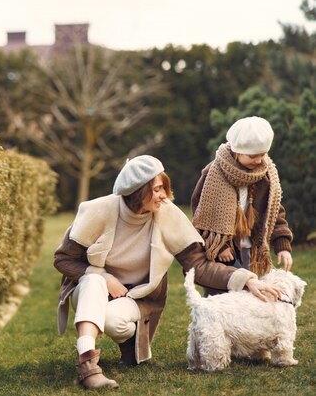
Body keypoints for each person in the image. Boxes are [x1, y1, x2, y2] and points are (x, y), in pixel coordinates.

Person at [54, 155, 282, 390]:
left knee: (113, 320)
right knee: (93, 280)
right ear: (137, 192)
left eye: (164, 187)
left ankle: (130, 337)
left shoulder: (168, 214)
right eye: (157, 189)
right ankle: (88, 366)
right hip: (91, 292)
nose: (164, 195)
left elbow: (199, 267)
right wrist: (104, 276)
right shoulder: (99, 210)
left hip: (136, 297)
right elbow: (63, 259)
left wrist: (247, 281)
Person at [191, 116, 294, 296]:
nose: (258, 160)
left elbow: (275, 212)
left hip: (249, 246)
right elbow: (202, 211)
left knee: (248, 293)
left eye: (262, 154)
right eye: (252, 156)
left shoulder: (266, 174)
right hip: (224, 250)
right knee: (221, 296)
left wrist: (282, 245)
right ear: (237, 151)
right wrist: (220, 246)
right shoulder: (214, 172)